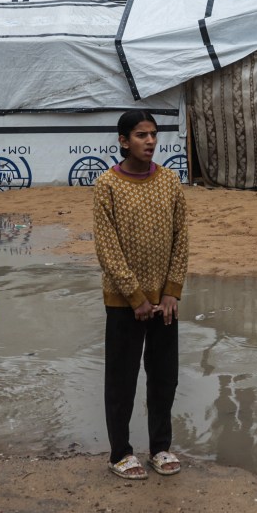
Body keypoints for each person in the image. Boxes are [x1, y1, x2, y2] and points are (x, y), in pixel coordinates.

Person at [92, 109, 190, 480]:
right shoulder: (107, 186)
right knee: (122, 378)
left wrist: (170, 293)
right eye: (140, 135)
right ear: (122, 141)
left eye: (153, 134)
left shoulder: (169, 181)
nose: (149, 141)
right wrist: (136, 298)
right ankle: (121, 453)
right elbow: (108, 248)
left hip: (164, 303)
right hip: (124, 303)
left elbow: (181, 239)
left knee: (164, 376)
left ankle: (161, 448)